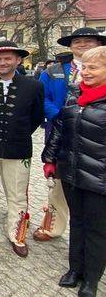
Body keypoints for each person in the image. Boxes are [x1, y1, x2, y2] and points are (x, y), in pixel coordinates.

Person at [42, 45, 106, 297]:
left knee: (97, 229)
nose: (86, 72)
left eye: (94, 68)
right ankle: (75, 269)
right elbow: (59, 128)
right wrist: (50, 159)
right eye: (85, 67)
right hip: (71, 171)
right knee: (77, 222)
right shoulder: (75, 95)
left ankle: (91, 279)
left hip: (99, 177)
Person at [0, 41, 44, 257]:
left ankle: (16, 233)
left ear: (18, 60)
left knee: (17, 194)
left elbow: (37, 117)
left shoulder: (34, 86)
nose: (2, 63)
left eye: (7, 58)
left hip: (18, 148)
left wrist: (18, 133)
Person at [34, 27, 106, 242]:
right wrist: (60, 115)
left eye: (88, 41)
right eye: (77, 41)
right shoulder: (54, 71)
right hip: (61, 133)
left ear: (98, 45)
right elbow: (41, 96)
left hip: (96, 138)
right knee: (58, 183)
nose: (82, 45)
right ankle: (53, 226)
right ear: (71, 46)